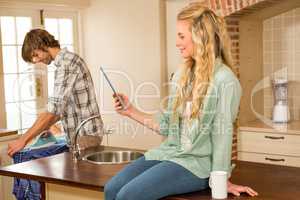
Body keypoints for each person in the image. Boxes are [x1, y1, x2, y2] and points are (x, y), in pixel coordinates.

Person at [105, 3, 258, 200]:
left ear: (200, 37)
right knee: (111, 189)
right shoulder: (182, 75)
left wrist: (222, 181)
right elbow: (168, 126)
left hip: (198, 164)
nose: (177, 42)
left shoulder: (224, 80)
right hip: (170, 153)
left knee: (128, 196)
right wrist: (130, 111)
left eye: (181, 36)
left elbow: (223, 136)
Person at [7, 29, 103, 157]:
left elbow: (53, 110)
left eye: (35, 55)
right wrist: (46, 126)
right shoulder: (64, 63)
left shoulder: (67, 63)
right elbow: (60, 109)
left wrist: (23, 140)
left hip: (85, 135)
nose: (35, 61)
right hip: (80, 136)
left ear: (42, 45)